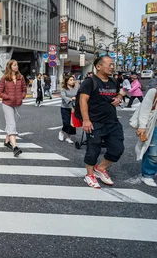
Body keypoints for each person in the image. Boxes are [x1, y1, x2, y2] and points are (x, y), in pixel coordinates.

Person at [78, 56, 125, 189]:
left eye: (112, 65)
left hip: (112, 121)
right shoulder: (90, 82)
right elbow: (83, 101)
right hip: (95, 122)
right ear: (98, 66)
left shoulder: (113, 81)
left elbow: (119, 93)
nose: (112, 67)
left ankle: (101, 168)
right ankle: (89, 174)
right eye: (109, 65)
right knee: (93, 149)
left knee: (118, 148)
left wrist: (119, 98)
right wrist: (86, 120)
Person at [0, 59, 28, 157]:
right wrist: (8, 97)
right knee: (12, 123)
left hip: (18, 103)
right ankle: (15, 147)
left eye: (17, 65)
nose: (16, 66)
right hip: (7, 104)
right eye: (14, 65)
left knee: (12, 123)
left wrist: (22, 96)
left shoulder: (21, 77)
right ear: (10, 67)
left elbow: (24, 89)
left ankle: (7, 141)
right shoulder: (4, 78)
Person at [134, 86, 157, 187]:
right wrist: (142, 127)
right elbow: (144, 109)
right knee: (153, 153)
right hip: (154, 126)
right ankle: (148, 175)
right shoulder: (154, 91)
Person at [59, 75, 78, 144]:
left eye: (73, 80)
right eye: (71, 80)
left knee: (72, 123)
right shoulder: (63, 89)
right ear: (67, 81)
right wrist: (71, 99)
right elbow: (63, 97)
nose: (73, 81)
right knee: (66, 122)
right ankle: (61, 132)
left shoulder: (76, 89)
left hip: (73, 107)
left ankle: (68, 137)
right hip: (65, 107)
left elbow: (78, 95)